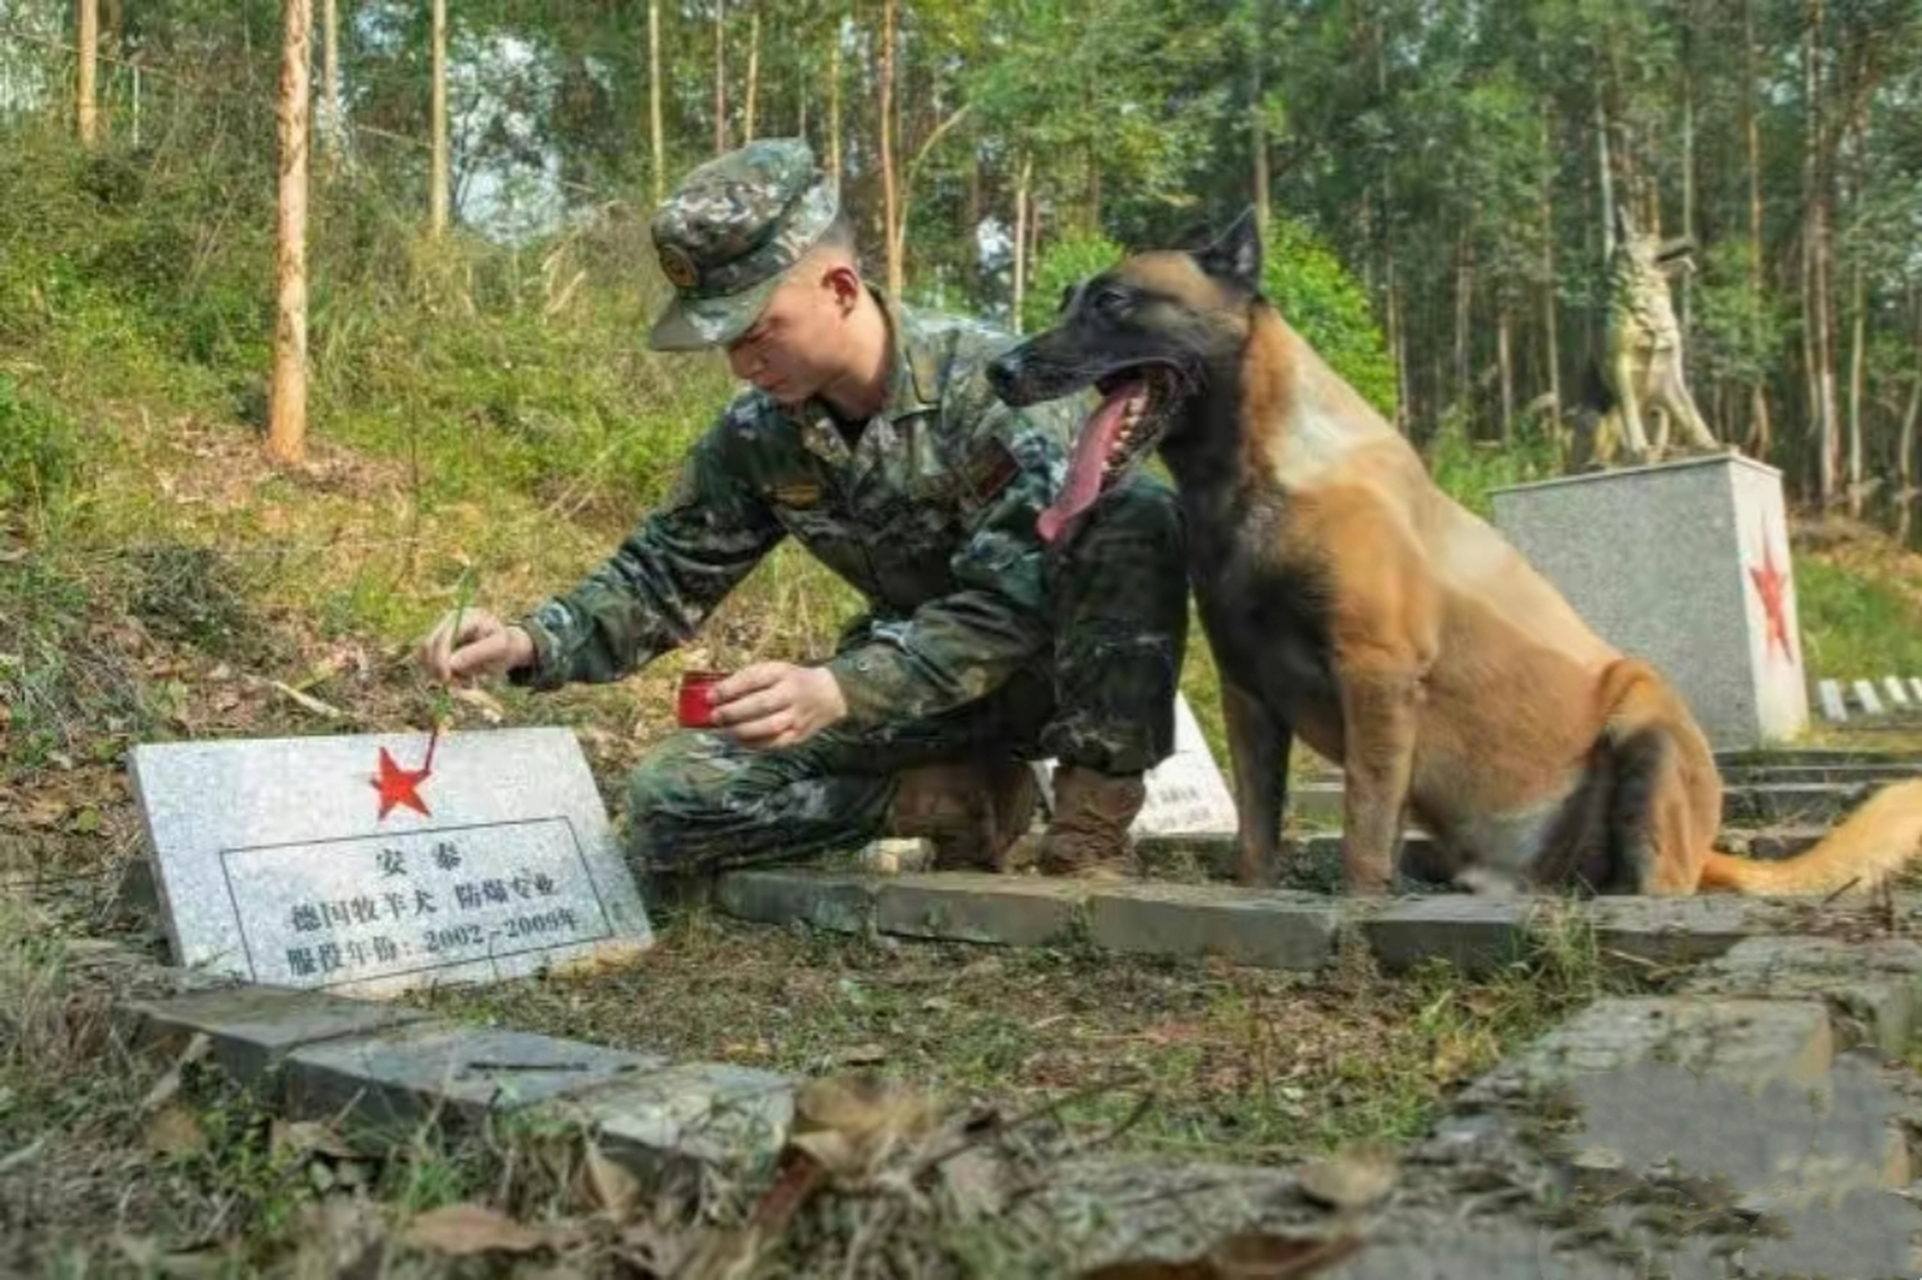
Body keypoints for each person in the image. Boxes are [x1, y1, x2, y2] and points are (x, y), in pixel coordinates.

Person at [416, 137, 1189, 878]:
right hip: (913, 694)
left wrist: (841, 689)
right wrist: (526, 640)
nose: (742, 363)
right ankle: (963, 799)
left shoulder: (996, 389)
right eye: (723, 342)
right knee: (672, 803)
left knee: (1136, 515)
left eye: (757, 332)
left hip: (1058, 678)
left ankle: (1089, 825)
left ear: (841, 289)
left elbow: (1014, 606)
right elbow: (661, 574)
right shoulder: (762, 435)